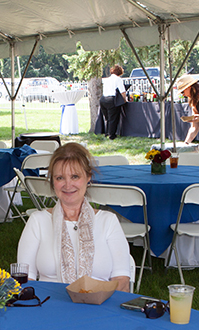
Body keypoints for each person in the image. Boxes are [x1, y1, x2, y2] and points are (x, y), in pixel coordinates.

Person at [17, 143, 131, 291]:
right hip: (49, 306)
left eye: (75, 176)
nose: (68, 185)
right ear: (53, 182)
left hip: (99, 306)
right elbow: (25, 281)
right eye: (60, 178)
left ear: (88, 177)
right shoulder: (37, 221)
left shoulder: (108, 221)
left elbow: (122, 281)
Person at [99, 64, 127, 140]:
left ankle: (107, 132)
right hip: (111, 99)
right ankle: (112, 135)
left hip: (103, 99)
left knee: (107, 118)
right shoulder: (118, 79)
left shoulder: (107, 79)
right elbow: (123, 92)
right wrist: (124, 100)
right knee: (113, 118)